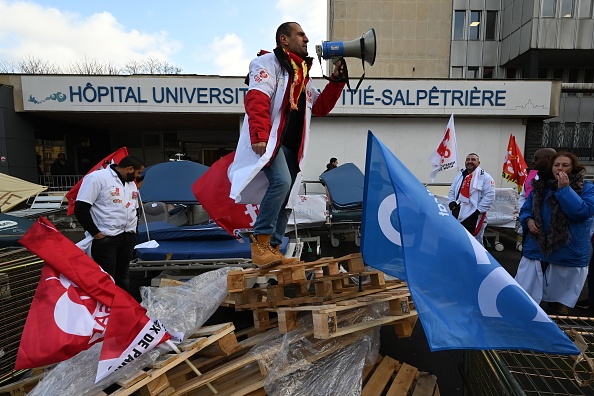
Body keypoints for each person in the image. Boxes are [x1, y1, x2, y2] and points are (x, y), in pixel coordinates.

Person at [228, 22, 346, 268]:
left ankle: (273, 247)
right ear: (284, 39)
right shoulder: (267, 63)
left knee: (288, 195)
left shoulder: (302, 74)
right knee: (281, 182)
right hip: (272, 141)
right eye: (301, 34)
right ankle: (259, 242)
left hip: (292, 147)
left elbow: (320, 107)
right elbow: (256, 98)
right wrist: (259, 133)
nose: (306, 39)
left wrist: (336, 82)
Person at [515, 151, 594, 314]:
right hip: (537, 249)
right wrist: (528, 220)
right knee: (525, 299)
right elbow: (526, 209)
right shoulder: (540, 186)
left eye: (565, 165)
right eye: (557, 165)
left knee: (557, 304)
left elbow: (581, 212)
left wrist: (565, 190)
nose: (560, 169)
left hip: (566, 252)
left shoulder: (586, 188)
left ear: (573, 168)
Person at [74, 155, 144, 292]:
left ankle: (123, 308)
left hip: (127, 236)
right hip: (106, 237)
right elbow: (81, 208)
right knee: (106, 277)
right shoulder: (97, 178)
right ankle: (106, 310)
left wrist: (134, 230)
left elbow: (135, 208)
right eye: (138, 172)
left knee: (123, 277)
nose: (138, 176)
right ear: (129, 169)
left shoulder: (131, 184)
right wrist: (96, 234)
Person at [448, 153, 496, 245]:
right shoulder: (460, 175)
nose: (470, 161)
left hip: (474, 215)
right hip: (458, 212)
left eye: (473, 159)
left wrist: (478, 211)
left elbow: (489, 196)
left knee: (473, 243)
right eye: (468, 159)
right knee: (457, 240)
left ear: (478, 163)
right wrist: (452, 204)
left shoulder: (486, 177)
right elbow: (452, 191)